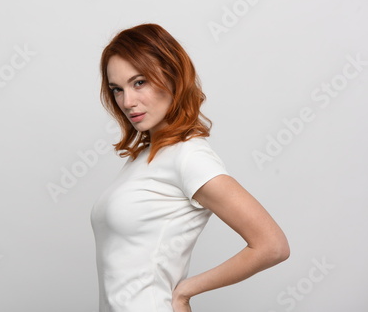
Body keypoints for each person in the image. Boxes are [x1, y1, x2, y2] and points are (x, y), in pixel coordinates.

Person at [90, 23, 290, 312]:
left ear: (172, 76)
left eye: (139, 82)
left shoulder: (189, 156)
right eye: (117, 89)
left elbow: (272, 246)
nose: (127, 102)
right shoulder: (145, 156)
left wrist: (184, 292)